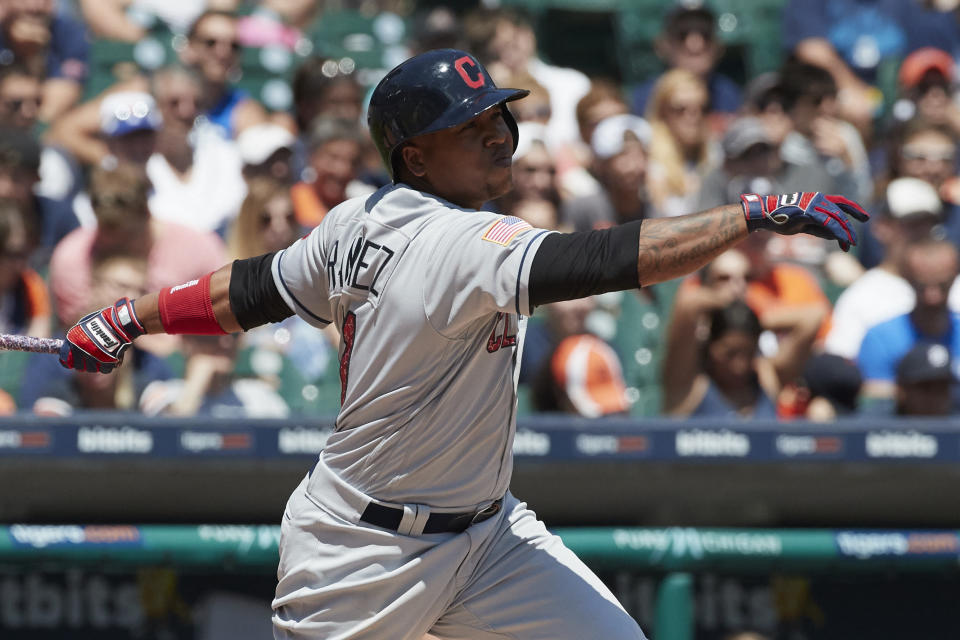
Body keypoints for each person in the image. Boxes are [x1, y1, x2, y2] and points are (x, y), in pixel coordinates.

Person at [55, 49, 867, 640]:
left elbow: (252, 288)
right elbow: (605, 258)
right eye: (466, 126)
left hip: (488, 538)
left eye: (496, 116)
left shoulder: (356, 220)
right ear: (414, 156)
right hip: (359, 555)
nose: (495, 134)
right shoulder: (457, 241)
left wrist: (131, 318)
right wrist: (750, 213)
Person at [858, 238, 960, 412]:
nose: (932, 296)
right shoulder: (881, 338)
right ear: (907, 278)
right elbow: (875, 407)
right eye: (922, 286)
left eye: (942, 286)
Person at [630, 3, 742, 120]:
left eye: (705, 33)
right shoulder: (646, 100)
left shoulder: (731, 96)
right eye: (682, 34)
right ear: (662, 44)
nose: (695, 44)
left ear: (718, 44)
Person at [895, 342, 955, 416]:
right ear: (902, 390)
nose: (935, 399)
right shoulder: (879, 423)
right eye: (926, 388)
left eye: (942, 389)